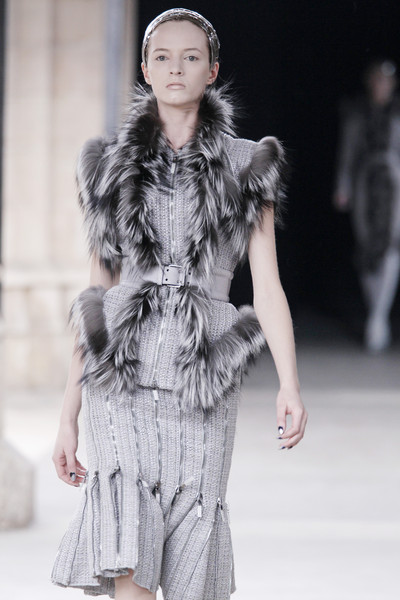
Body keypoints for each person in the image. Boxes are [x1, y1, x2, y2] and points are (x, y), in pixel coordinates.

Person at [51, 8, 307, 599]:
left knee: (192, 559)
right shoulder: (110, 164)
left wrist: (289, 384)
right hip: (122, 375)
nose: (176, 68)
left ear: (212, 70)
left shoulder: (247, 164)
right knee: (129, 561)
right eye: (162, 57)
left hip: (203, 372)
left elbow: (266, 285)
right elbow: (96, 297)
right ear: (144, 69)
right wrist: (69, 412)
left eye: (191, 57)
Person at [334, 59, 400, 352]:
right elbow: (347, 152)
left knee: (391, 245)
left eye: (386, 81)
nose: (381, 86)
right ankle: (376, 313)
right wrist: (343, 186)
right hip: (366, 183)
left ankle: (378, 317)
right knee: (367, 247)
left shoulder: (397, 113)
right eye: (377, 80)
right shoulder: (357, 113)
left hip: (394, 183)